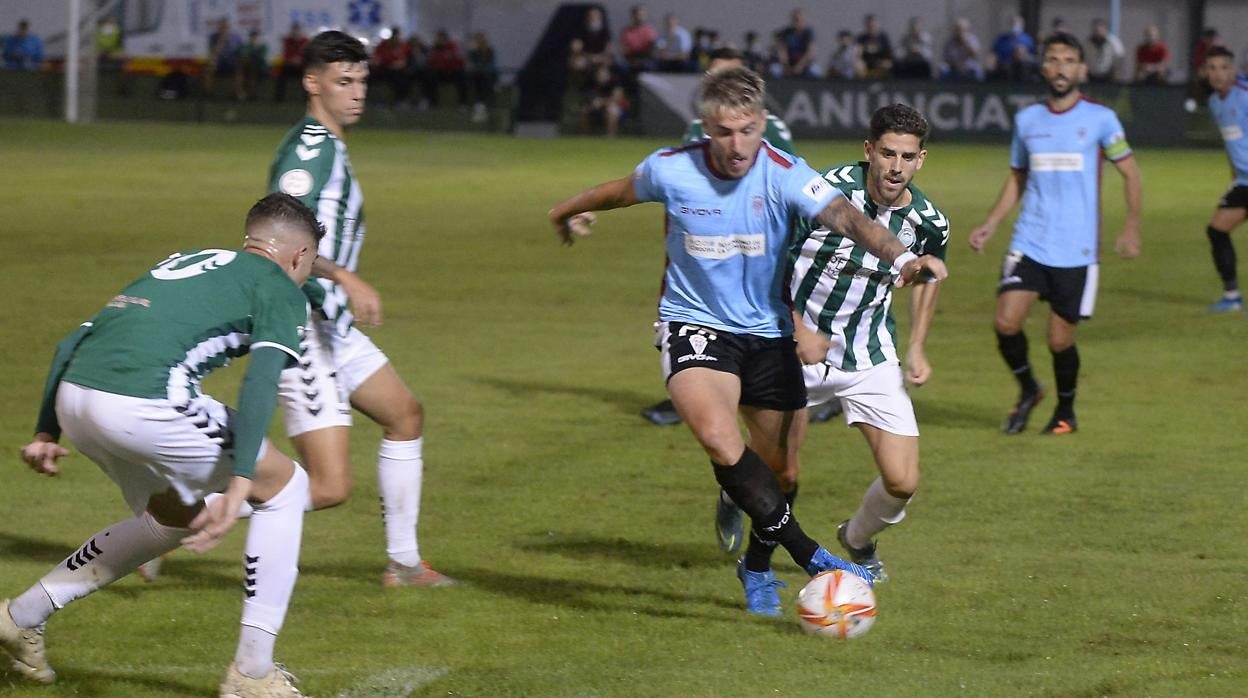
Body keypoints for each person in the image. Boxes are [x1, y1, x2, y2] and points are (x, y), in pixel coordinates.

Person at [548, 66, 947, 616]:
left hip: (767, 334)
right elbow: (620, 191)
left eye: (747, 130)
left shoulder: (785, 174)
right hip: (694, 324)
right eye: (723, 131)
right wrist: (568, 210)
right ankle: (812, 557)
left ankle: (756, 567)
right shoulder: (671, 169)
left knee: (781, 473)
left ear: (764, 124)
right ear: (704, 127)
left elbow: (849, 220)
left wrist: (901, 257)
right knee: (718, 437)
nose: (737, 146)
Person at [1, 193, 320, 695]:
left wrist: (46, 431)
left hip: (75, 399)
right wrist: (241, 478)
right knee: (283, 486)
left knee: (172, 519)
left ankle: (22, 616)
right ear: (300, 256)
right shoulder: (280, 285)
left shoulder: (185, 261)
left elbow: (72, 341)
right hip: (143, 401)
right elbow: (261, 379)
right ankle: (252, 674)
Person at [720, 103, 948, 584]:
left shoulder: (929, 221)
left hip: (869, 355)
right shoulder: (822, 194)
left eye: (907, 157)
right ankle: (739, 495)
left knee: (903, 481)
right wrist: (798, 326)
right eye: (887, 154)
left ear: (921, 159)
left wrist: (918, 347)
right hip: (793, 348)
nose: (896, 167)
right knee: (783, 476)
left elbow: (927, 275)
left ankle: (858, 540)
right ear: (869, 150)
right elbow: (769, 260)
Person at [968, 32, 1142, 435]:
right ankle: (1029, 389)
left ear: (1081, 68)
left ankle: (1066, 412)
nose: (1061, 67)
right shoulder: (1027, 121)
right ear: (1043, 67)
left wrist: (1131, 225)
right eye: (1053, 59)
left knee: (1059, 340)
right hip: (1030, 240)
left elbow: (1131, 172)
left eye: (1069, 60)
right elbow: (1018, 177)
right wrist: (991, 223)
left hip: (1077, 249)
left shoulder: (1100, 119)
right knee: (1005, 323)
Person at [641, 47, 800, 428]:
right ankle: (692, 391)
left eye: (725, 74)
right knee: (695, 314)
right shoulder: (698, 126)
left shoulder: (772, 128)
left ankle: (805, 388)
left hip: (756, 238)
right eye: (711, 76)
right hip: (702, 239)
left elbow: (784, 183)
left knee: (757, 315)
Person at [1199, 47, 1248, 313]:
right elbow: (1233, 145)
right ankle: (1232, 297)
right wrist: (1234, 178)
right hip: (1243, 182)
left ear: (1233, 70)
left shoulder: (1245, 97)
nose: (1218, 74)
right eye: (1212, 68)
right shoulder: (1215, 102)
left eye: (1223, 67)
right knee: (1217, 231)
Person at [204, 17, 244, 100]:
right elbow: (213, 52)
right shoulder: (213, 37)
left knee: (239, 70)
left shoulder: (236, 37)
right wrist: (221, 40)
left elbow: (240, 51)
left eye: (225, 26)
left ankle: (235, 93)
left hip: (231, 62)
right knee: (208, 69)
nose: (223, 28)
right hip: (218, 62)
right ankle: (208, 93)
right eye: (221, 26)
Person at [989, 15, 1035, 82]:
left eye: (1017, 24)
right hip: (1002, 66)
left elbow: (1032, 55)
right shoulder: (1001, 39)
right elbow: (993, 54)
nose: (1015, 26)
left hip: (1021, 68)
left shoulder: (1027, 39)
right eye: (1013, 23)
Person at [778, 8, 817, 78]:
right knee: (775, 69)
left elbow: (810, 52)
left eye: (798, 20)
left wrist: (800, 66)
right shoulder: (786, 32)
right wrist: (786, 66)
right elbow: (782, 51)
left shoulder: (808, 32)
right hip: (789, 63)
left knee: (815, 70)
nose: (796, 22)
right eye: (794, 20)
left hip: (805, 64)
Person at [856, 13, 894, 80]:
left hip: (879, 62)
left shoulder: (883, 37)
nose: (871, 25)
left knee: (887, 65)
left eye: (873, 23)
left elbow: (889, 54)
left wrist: (883, 61)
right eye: (869, 23)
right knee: (858, 65)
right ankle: (862, 85)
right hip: (867, 62)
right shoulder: (861, 38)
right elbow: (858, 54)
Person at [1087, 18, 1124, 83]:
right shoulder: (1087, 44)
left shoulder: (1114, 43)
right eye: (1096, 30)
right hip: (1091, 76)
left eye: (1101, 30)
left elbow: (1119, 60)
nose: (1098, 33)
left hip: (1108, 76)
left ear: (1105, 30)